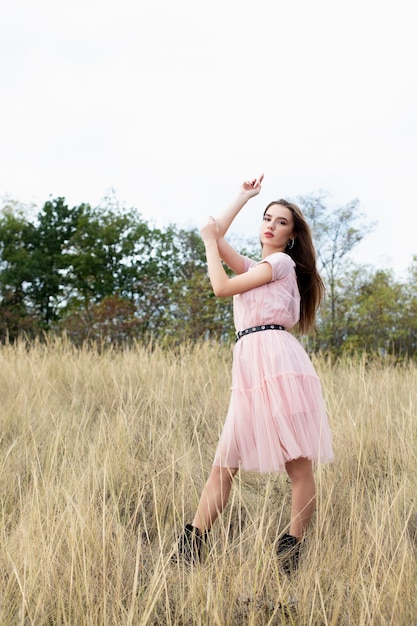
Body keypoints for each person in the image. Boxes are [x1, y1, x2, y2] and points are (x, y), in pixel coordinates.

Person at [173, 174, 334, 573]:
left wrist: (211, 244)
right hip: (250, 366)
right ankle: (191, 545)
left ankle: (292, 547)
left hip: (278, 364)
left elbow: (221, 287)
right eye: (267, 217)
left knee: (298, 465)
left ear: (292, 235)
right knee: (223, 463)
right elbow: (215, 231)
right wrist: (244, 196)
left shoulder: (280, 263)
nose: (271, 225)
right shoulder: (257, 265)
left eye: (281, 221)